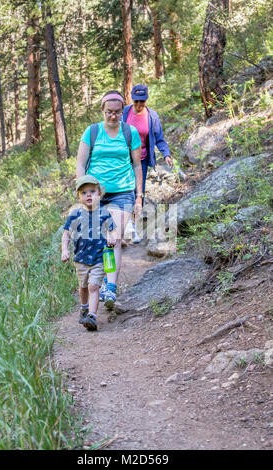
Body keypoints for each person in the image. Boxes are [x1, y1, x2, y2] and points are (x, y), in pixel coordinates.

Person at [76, 90, 143, 309]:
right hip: (95, 194)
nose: (113, 116)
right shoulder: (92, 132)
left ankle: (110, 287)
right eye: (108, 112)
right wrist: (82, 190)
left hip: (123, 191)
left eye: (117, 112)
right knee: (97, 240)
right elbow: (80, 163)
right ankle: (101, 280)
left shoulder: (130, 132)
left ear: (123, 111)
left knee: (113, 236)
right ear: (102, 111)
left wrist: (139, 197)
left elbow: (136, 165)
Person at [61, 175, 117, 331]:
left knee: (93, 286)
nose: (88, 195)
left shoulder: (104, 213)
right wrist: (65, 250)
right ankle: (84, 308)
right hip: (80, 258)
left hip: (99, 257)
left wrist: (112, 238)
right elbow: (66, 234)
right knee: (83, 286)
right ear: (79, 197)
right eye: (84, 192)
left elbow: (113, 231)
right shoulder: (75, 215)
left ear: (99, 193)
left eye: (92, 191)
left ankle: (92, 316)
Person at [122, 84, 177, 243]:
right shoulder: (125, 113)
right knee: (125, 190)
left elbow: (159, 138)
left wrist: (166, 154)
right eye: (136, 101)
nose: (139, 105)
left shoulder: (152, 116)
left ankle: (134, 227)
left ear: (146, 100)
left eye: (142, 101)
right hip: (124, 159)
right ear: (132, 99)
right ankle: (125, 226)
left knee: (139, 192)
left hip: (142, 159)